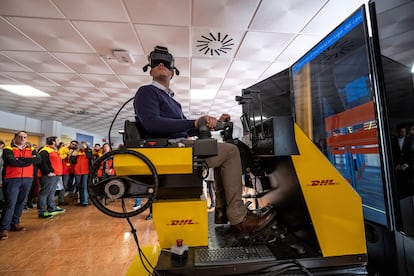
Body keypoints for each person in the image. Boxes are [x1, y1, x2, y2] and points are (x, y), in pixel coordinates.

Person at [133, 46, 276, 235]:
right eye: (156, 62)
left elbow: (186, 126)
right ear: (150, 70)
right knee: (231, 151)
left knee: (225, 150)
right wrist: (194, 121)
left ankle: (222, 211)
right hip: (167, 149)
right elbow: (152, 124)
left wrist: (214, 123)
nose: (161, 65)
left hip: (177, 148)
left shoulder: (173, 102)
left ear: (172, 72)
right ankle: (238, 217)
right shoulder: (147, 92)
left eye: (166, 63)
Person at [0, 131, 40, 240]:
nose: (22, 139)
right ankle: (3, 229)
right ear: (15, 138)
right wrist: (29, 161)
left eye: (25, 137)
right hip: (12, 179)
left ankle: (15, 224)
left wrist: (21, 160)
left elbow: (38, 160)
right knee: (10, 203)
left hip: (27, 179)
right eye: (20, 137)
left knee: (21, 203)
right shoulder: (8, 149)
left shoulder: (31, 149)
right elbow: (12, 162)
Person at [37, 136, 66, 218]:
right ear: (53, 142)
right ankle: (41, 212)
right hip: (48, 175)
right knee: (44, 193)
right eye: (57, 140)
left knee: (51, 192)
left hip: (55, 175)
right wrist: (48, 172)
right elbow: (41, 162)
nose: (59, 142)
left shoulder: (53, 150)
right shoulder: (44, 150)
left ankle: (51, 207)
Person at [73, 141, 92, 206]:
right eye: (81, 145)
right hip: (77, 171)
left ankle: (85, 202)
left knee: (84, 186)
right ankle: (81, 201)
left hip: (86, 171)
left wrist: (86, 149)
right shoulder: (76, 152)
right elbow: (73, 161)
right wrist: (74, 154)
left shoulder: (88, 151)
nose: (82, 146)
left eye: (84, 145)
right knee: (79, 187)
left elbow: (89, 156)